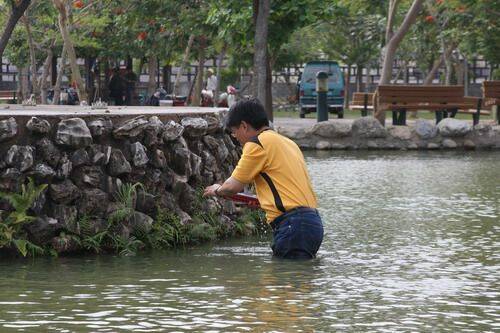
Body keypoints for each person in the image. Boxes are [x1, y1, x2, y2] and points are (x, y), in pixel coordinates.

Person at [203, 99, 323, 259]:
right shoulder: (288, 143)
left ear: (244, 126)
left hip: (293, 226)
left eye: (234, 131)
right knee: (298, 279)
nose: (234, 136)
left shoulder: (257, 143)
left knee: (284, 279)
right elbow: (288, 191)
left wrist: (216, 189)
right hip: (312, 223)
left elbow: (232, 187)